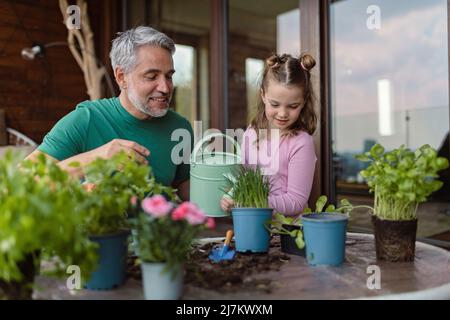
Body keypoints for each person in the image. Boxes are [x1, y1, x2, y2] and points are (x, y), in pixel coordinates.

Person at [25, 26, 193, 200]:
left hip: (158, 227)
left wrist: (217, 193)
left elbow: (186, 189)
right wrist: (95, 158)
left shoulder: (180, 128)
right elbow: (23, 181)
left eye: (169, 76)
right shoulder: (86, 119)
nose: (165, 88)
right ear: (121, 77)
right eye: (151, 77)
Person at [221, 53, 317, 215]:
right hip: (251, 224)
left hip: (287, 233)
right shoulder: (251, 133)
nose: (282, 113)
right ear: (263, 95)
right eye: (275, 104)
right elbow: (242, 179)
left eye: (293, 106)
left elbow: (296, 201)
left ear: (304, 101)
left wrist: (252, 202)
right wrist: (231, 196)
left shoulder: (301, 142)